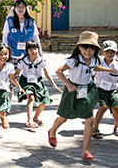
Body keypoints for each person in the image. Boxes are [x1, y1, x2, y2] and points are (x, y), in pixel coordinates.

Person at [48, 31, 117, 161]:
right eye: (85, 47)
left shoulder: (92, 60)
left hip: (86, 90)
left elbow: (93, 67)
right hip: (72, 90)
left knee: (89, 119)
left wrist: (109, 70)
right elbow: (59, 71)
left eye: (92, 48)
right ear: (79, 47)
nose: (88, 51)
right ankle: (52, 131)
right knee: (63, 118)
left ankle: (85, 150)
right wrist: (68, 84)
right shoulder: (73, 61)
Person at [15, 40, 62, 129]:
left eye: (35, 49)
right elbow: (16, 73)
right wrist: (12, 81)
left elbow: (47, 73)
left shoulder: (41, 61)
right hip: (26, 81)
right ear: (27, 51)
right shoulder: (23, 62)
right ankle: (29, 121)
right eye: (31, 49)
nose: (34, 51)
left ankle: (35, 118)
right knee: (31, 98)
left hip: (38, 81)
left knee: (43, 102)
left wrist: (54, 84)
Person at [2, 0, 43, 97]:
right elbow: (5, 37)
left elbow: (36, 38)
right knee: (12, 76)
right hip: (13, 53)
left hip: (27, 55)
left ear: (26, 9)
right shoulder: (9, 21)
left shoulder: (31, 22)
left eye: (22, 7)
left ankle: (29, 98)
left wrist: (40, 52)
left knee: (29, 77)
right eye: (18, 7)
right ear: (15, 9)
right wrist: (5, 51)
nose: (20, 9)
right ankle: (9, 98)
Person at [92, 40, 118, 139]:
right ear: (102, 51)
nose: (110, 54)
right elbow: (92, 76)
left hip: (113, 89)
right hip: (100, 89)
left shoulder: (116, 65)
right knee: (103, 107)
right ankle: (95, 127)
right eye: (107, 51)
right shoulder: (98, 64)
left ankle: (116, 126)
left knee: (116, 108)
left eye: (112, 52)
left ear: (116, 52)